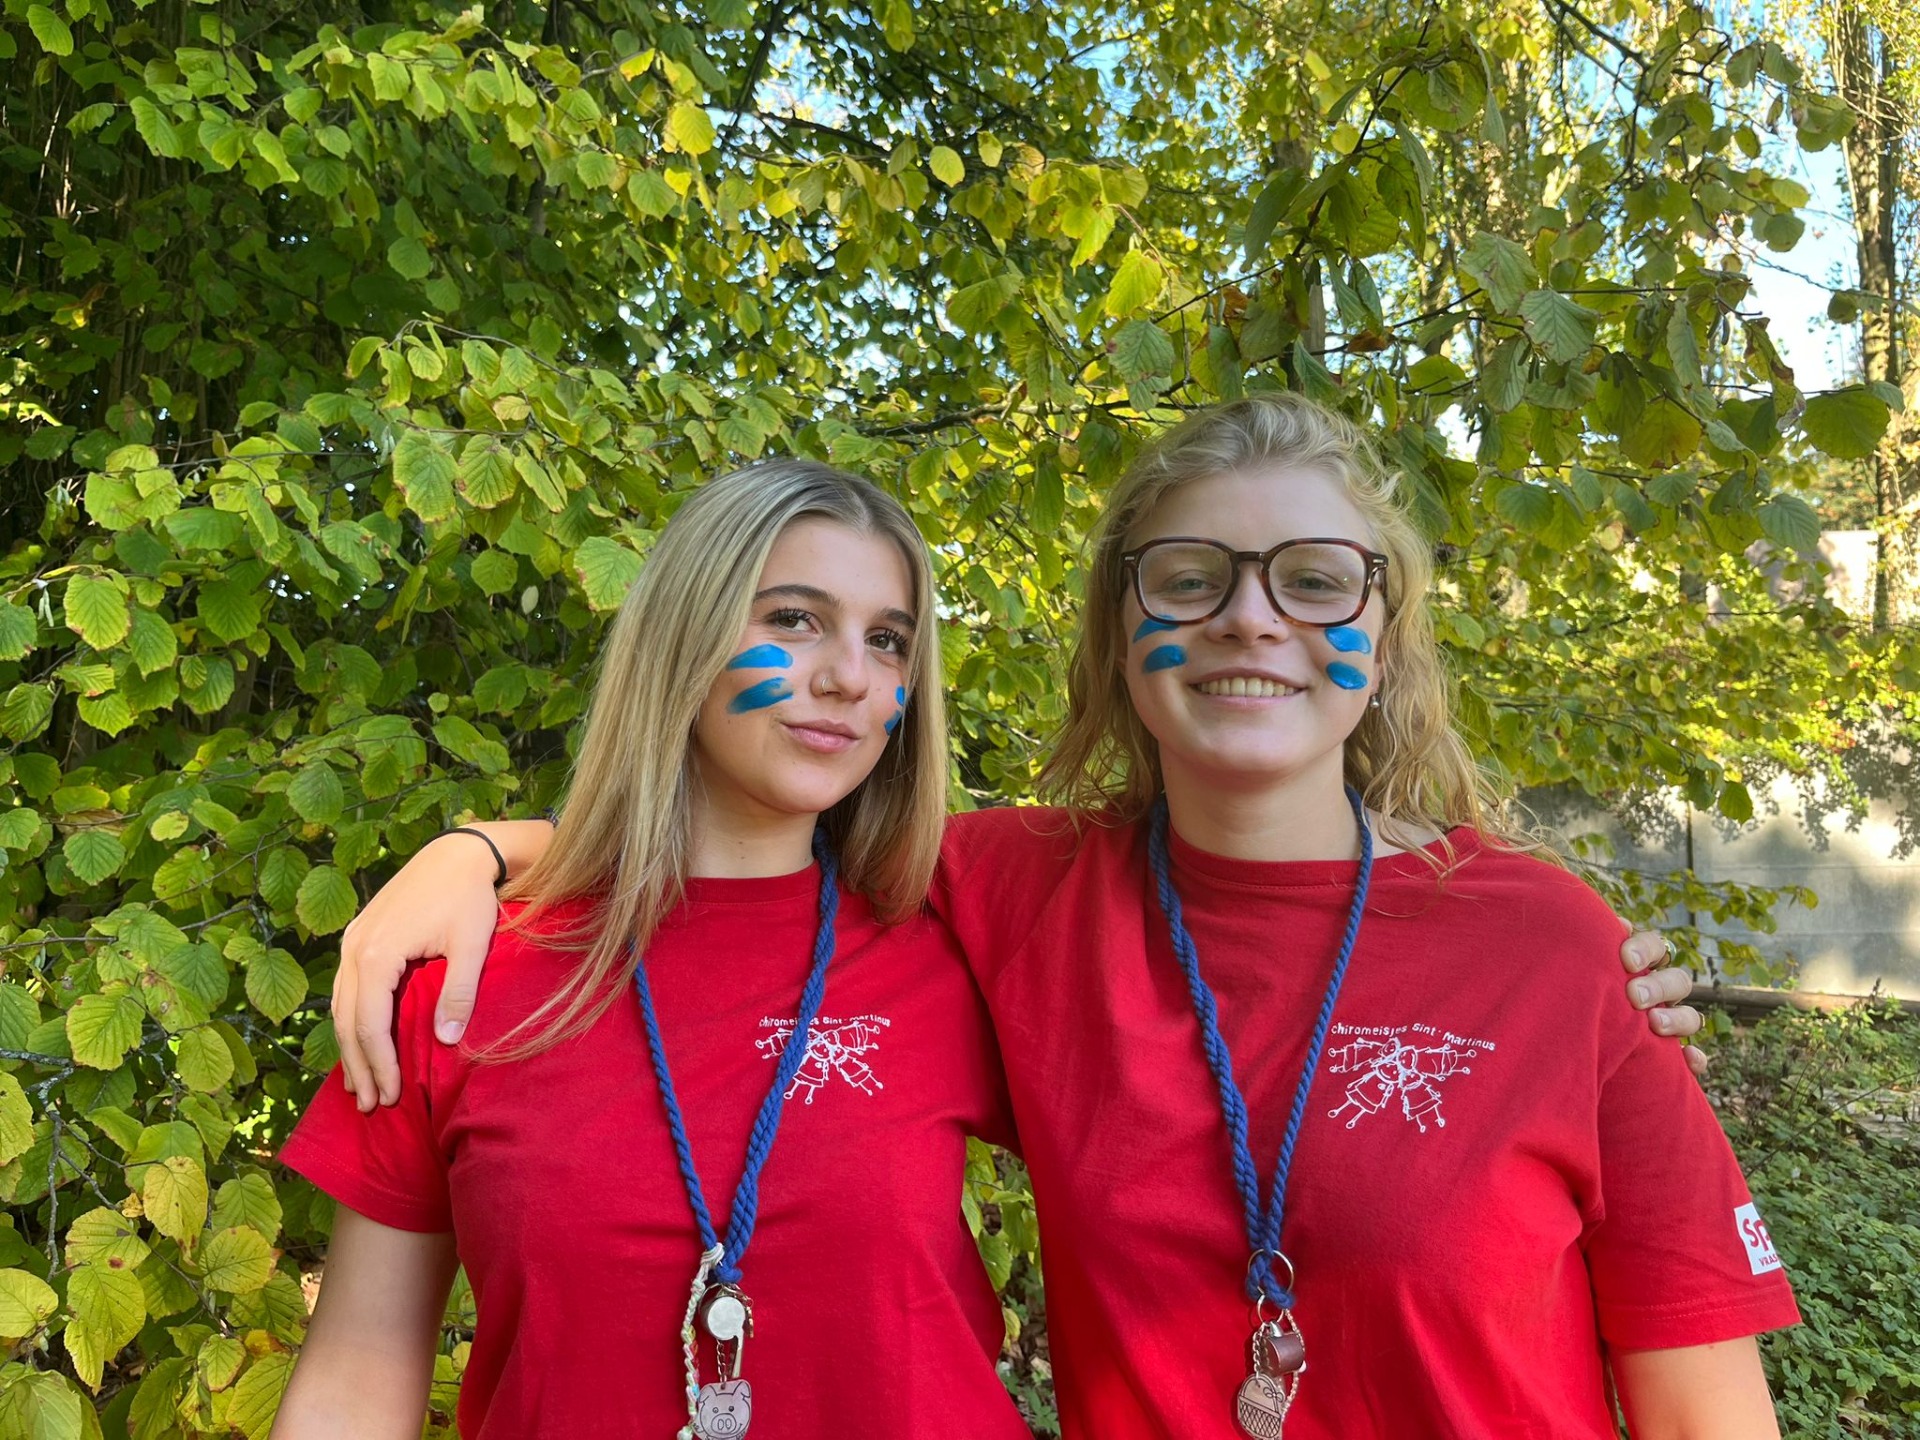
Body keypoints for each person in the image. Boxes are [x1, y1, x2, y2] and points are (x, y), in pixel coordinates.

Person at [323, 401, 1740, 1438]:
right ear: (1122, 630)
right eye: (1192, 578)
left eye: (1314, 579)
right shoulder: (1006, 893)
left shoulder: (1559, 951)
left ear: (1389, 627)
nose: (1253, 619)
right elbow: (720, 864)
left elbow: (1703, 1397)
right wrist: (473, 852)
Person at [273, 462, 1031, 1440]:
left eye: (888, 640)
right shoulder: (464, 980)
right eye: (795, 619)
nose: (851, 676)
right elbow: (355, 1383)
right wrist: (480, 850)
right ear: (684, 638)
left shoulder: (967, 943)